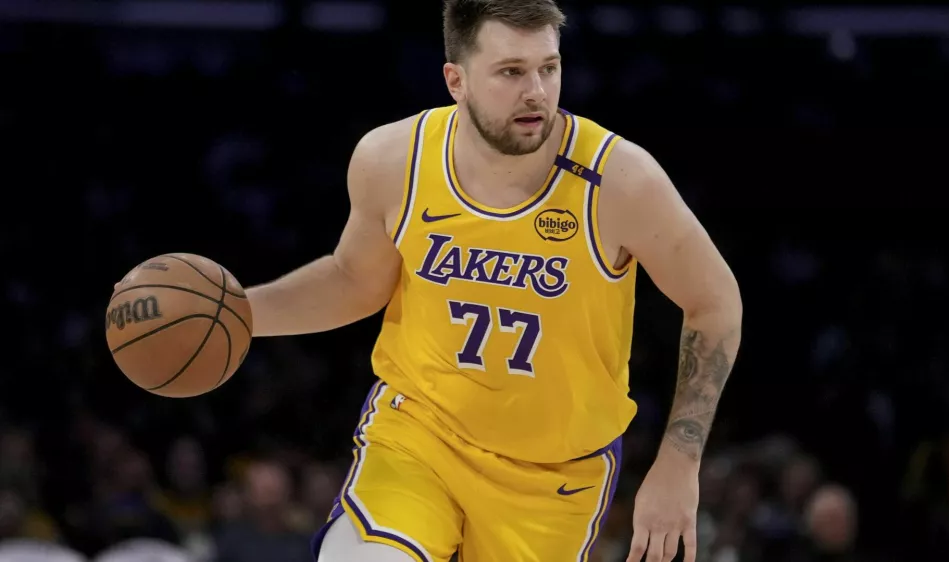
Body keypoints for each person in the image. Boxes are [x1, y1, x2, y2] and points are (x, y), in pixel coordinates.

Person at [246, 0, 743, 560]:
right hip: (421, 436)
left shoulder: (619, 179)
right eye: (511, 72)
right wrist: (240, 315)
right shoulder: (393, 159)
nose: (536, 92)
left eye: (548, 68)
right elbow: (354, 280)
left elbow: (715, 301)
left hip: (553, 476)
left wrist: (680, 463)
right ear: (455, 80)